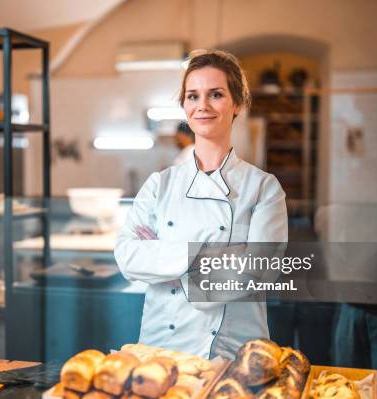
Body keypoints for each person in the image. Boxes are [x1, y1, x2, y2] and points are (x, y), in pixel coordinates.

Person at [114, 49, 288, 360]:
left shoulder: (263, 188)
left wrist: (162, 259)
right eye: (192, 96)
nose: (202, 106)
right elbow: (127, 256)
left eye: (216, 94)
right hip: (159, 351)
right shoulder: (159, 185)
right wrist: (201, 256)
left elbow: (256, 273)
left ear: (237, 104)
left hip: (234, 354)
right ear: (183, 105)